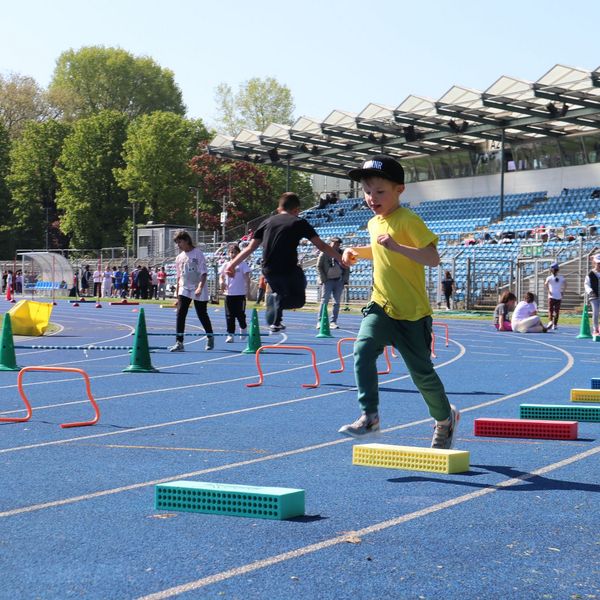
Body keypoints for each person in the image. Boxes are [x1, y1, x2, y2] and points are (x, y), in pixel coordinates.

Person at [337, 154, 459, 449]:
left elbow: (432, 258)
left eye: (380, 191)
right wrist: (355, 252)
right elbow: (379, 249)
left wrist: (397, 246)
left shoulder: (408, 220)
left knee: (422, 375)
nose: (372, 198)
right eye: (367, 191)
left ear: (399, 190)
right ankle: (370, 416)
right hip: (381, 305)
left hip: (412, 314)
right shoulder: (373, 223)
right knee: (363, 349)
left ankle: (445, 420)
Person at [224, 192, 343, 333]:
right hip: (289, 269)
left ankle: (276, 320)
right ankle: (274, 303)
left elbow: (250, 248)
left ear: (279, 208)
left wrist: (232, 265)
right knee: (298, 301)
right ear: (297, 210)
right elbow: (321, 246)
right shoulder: (299, 222)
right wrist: (340, 258)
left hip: (268, 270)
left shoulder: (266, 222)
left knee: (279, 294)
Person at [169, 230, 214, 351]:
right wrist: (177, 295)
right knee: (180, 313)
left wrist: (200, 287)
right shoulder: (179, 258)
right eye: (177, 243)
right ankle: (179, 342)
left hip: (198, 286)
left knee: (201, 314)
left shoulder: (198, 253)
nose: (178, 245)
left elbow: (204, 273)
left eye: (180, 242)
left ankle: (210, 336)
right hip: (184, 288)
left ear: (187, 240)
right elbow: (179, 277)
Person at [219, 244, 251, 343]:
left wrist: (248, 290)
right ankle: (230, 334)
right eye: (231, 252)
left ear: (239, 253)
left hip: (240, 293)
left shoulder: (242, 264)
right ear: (229, 253)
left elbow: (247, 278)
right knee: (229, 315)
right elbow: (221, 276)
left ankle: (243, 327)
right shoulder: (226, 265)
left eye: (235, 252)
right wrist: (221, 282)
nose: (233, 254)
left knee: (240, 314)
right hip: (229, 294)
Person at [316, 237, 349, 329]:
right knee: (324, 301)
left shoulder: (342, 253)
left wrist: (345, 279)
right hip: (328, 281)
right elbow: (319, 266)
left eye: (338, 244)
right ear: (330, 243)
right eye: (334, 243)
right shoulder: (324, 252)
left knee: (337, 302)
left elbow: (347, 266)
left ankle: (333, 322)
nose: (336, 245)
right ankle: (320, 321)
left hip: (339, 281)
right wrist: (323, 279)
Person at [544, 263, 566, 330]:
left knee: (551, 310)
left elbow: (545, 284)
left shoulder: (549, 278)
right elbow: (566, 284)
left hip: (552, 296)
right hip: (557, 296)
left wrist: (549, 291)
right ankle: (554, 324)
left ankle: (551, 322)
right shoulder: (561, 277)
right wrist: (563, 291)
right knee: (556, 311)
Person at [584, 253, 600, 335]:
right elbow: (586, 284)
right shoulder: (590, 274)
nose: (599, 265)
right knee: (596, 313)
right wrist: (590, 291)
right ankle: (595, 329)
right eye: (598, 263)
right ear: (594, 263)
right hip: (594, 296)